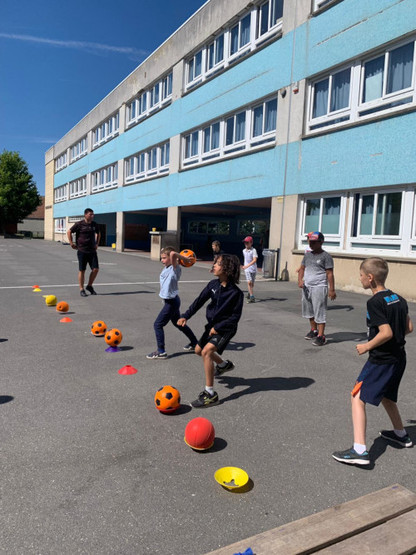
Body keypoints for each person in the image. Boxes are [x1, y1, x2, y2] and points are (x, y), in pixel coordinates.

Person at [332, 257, 413, 466]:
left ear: (370, 278)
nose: (359, 279)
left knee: (357, 396)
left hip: (381, 360)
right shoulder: (399, 298)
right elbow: (408, 328)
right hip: (398, 358)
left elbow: (385, 332)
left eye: (360, 275)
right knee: (387, 396)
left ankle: (359, 450)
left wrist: (367, 346)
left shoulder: (375, 302)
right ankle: (401, 434)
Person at [177, 254, 244, 408]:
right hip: (212, 326)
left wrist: (218, 328)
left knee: (207, 352)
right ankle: (223, 365)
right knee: (198, 350)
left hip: (226, 328)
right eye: (214, 262)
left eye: (218, 264)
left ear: (227, 268)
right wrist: (185, 315)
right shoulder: (213, 285)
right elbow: (199, 301)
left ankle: (210, 394)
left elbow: (235, 318)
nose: (214, 266)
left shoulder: (236, 293)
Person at [146, 247, 198, 359]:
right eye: (161, 258)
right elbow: (171, 253)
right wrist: (165, 251)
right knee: (177, 323)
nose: (162, 260)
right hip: (171, 301)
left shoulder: (175, 268)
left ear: (171, 259)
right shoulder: (167, 267)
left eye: (164, 258)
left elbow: (173, 253)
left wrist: (183, 258)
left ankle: (161, 351)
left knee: (158, 324)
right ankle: (195, 343)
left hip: (171, 303)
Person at [297, 231, 336, 346]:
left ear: (321, 242)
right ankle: (313, 330)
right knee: (309, 310)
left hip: (319, 287)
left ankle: (321, 335)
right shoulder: (307, 255)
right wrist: (300, 280)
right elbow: (302, 269)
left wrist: (332, 289)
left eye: (314, 242)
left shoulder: (326, 256)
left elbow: (329, 273)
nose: (311, 244)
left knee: (319, 311)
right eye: (310, 242)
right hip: (307, 287)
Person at [67, 208, 100, 297]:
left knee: (95, 269)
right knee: (82, 270)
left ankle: (89, 286)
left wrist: (97, 243)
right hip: (82, 250)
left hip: (92, 251)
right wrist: (71, 243)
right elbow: (69, 231)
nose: (92, 216)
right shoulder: (79, 224)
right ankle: (81, 289)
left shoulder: (94, 224)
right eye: (90, 214)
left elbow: (98, 233)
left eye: (93, 214)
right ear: (85, 215)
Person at [242, 236, 258, 303]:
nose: (246, 244)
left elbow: (254, 260)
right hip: (247, 269)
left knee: (252, 284)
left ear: (251, 243)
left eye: (247, 242)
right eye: (245, 242)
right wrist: (246, 266)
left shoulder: (253, 250)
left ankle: (249, 293)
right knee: (249, 282)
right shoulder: (243, 251)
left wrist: (248, 265)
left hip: (253, 269)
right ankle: (252, 297)